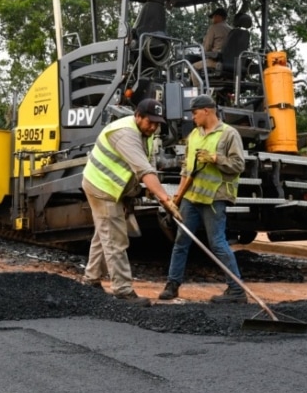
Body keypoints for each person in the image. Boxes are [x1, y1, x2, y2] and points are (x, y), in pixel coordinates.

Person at [82, 98, 183, 306]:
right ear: (137, 116)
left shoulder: (143, 133)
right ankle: (122, 290)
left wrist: (141, 191)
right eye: (150, 122)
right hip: (102, 187)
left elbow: (147, 164)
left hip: (114, 188)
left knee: (103, 235)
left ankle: (91, 279)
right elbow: (144, 170)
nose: (154, 127)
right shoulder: (125, 134)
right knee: (115, 239)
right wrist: (165, 199)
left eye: (157, 123)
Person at [158, 94, 248, 303]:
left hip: (214, 198)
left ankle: (236, 290)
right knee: (181, 241)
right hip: (191, 197)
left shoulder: (229, 134)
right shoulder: (193, 136)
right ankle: (172, 285)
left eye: (195, 113)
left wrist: (216, 158)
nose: (193, 117)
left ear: (207, 111)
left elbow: (239, 165)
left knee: (217, 243)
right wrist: (177, 199)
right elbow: (186, 170)